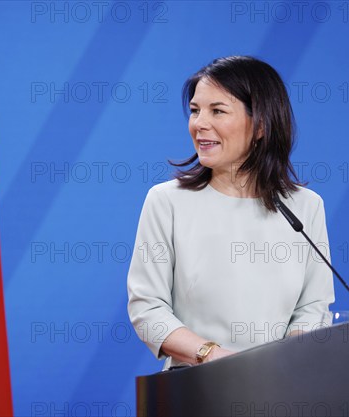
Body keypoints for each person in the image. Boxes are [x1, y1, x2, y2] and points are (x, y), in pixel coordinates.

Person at [126, 56, 335, 370]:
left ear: (261, 124)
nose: (199, 124)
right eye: (195, 111)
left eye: (217, 111)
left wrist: (286, 367)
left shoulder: (305, 206)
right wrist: (218, 359)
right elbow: (148, 310)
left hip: (281, 388)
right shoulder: (167, 201)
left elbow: (314, 308)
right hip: (196, 387)